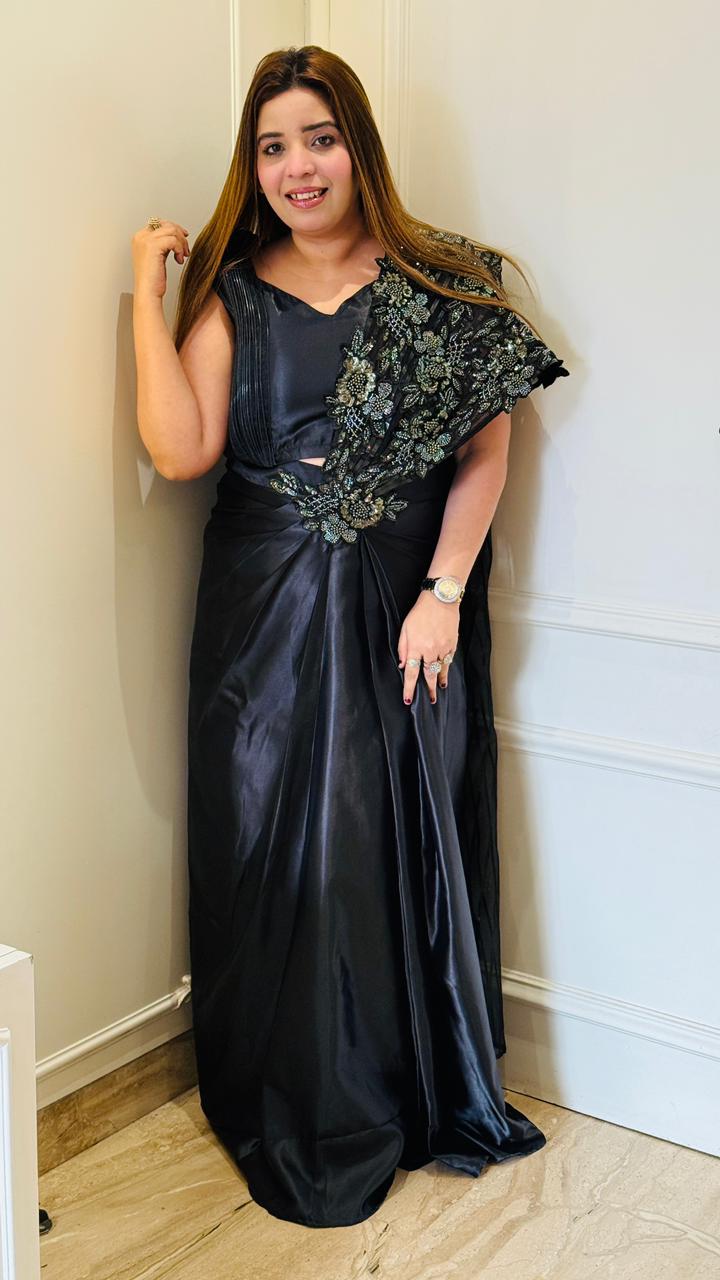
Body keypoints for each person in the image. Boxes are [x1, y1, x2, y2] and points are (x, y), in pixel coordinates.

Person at [131, 44, 569, 1229]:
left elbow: (486, 449)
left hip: (402, 613)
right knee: (269, 850)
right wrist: (145, 294)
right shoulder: (236, 295)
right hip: (258, 618)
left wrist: (445, 590)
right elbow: (180, 448)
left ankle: (402, 1092)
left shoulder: (443, 279)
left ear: (357, 145)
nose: (298, 167)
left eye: (318, 138)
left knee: (384, 848)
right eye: (273, 146)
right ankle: (291, 1093)